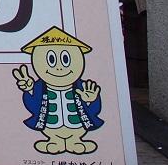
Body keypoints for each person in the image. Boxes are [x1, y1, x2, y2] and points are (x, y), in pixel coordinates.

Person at [14, 26, 103, 155]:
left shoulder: (82, 88)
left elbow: (94, 110)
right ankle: (55, 141)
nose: (59, 68)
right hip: (51, 127)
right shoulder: (40, 88)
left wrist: (92, 100)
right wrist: (29, 90)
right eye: (51, 60)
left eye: (66, 60)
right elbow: (33, 105)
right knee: (53, 137)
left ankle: (75, 141)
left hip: (78, 126)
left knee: (76, 137)